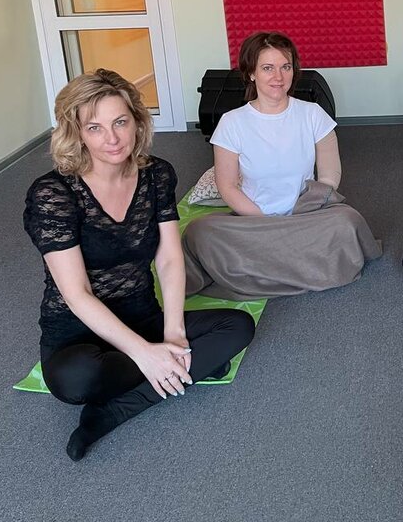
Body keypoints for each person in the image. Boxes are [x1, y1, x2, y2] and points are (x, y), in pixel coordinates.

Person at [23, 70, 255, 461]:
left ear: (137, 121)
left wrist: (174, 332)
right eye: (94, 128)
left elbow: (169, 257)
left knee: (238, 326)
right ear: (77, 134)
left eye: (120, 122)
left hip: (142, 315)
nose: (112, 138)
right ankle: (184, 366)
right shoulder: (54, 193)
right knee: (76, 380)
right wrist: (146, 354)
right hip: (77, 332)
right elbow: (77, 294)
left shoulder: (156, 174)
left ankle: (115, 411)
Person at [182, 32, 380, 299]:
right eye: (267, 68)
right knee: (198, 232)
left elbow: (330, 174)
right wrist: (265, 223)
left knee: (347, 221)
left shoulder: (312, 114)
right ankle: (296, 262)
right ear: (251, 73)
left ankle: (264, 265)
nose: (278, 76)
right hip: (254, 223)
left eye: (285, 67)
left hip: (306, 217)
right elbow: (227, 186)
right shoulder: (232, 122)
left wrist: (307, 208)